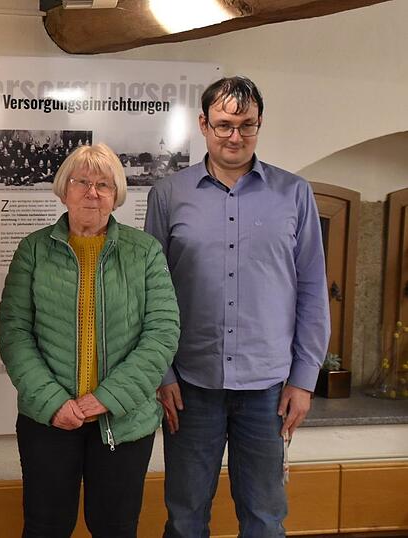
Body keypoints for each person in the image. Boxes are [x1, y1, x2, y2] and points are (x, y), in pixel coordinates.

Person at [144, 76, 330, 537]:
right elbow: (149, 293)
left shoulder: (295, 193)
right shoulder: (168, 195)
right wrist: (162, 374)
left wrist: (304, 380)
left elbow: (312, 290)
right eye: (224, 125)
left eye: (246, 126)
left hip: (269, 389)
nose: (235, 136)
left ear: (259, 125)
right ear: (204, 125)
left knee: (265, 518)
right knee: (185, 518)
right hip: (190, 386)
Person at [0, 144, 180, 537]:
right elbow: (13, 333)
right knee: (45, 527)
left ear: (116, 195)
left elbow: (162, 333)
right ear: (64, 189)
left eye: (103, 184)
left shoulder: (145, 252)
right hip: (48, 420)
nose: (92, 192)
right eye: (82, 182)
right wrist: (53, 402)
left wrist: (108, 398)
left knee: (114, 527)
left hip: (123, 421)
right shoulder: (33, 250)